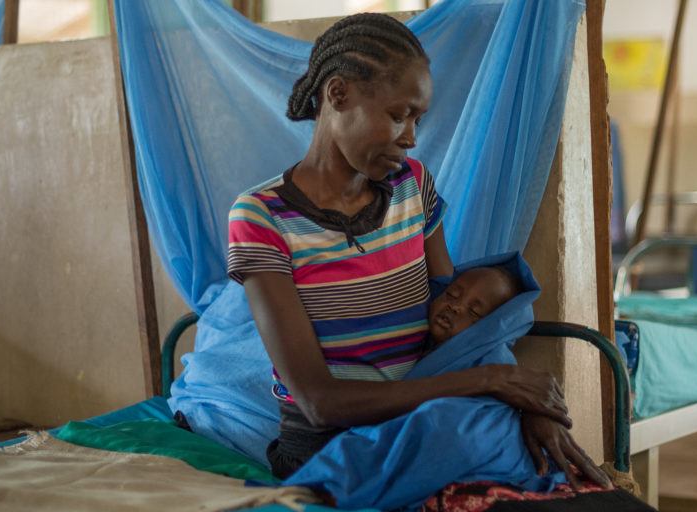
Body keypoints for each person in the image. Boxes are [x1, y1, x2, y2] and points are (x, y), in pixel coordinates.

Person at [228, 12, 586, 482]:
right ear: (339, 94)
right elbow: (319, 402)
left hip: (421, 418)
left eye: (417, 119)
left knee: (558, 484)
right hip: (329, 445)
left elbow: (455, 326)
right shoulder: (261, 217)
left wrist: (527, 404)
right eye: (399, 115)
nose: (411, 138)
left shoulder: (412, 188)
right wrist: (492, 381)